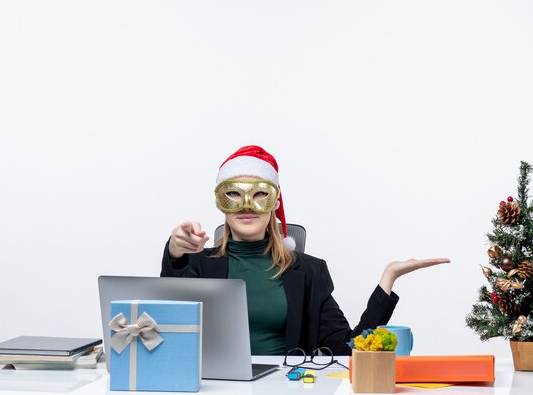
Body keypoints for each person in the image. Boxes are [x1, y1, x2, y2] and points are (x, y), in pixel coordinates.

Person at [161, 145, 450, 355]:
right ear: (221, 201)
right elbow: (167, 318)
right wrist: (175, 252)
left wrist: (387, 280)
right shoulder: (196, 266)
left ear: (275, 202)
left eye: (260, 193)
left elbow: (347, 349)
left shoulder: (309, 271)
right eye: (234, 194)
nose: (247, 204)